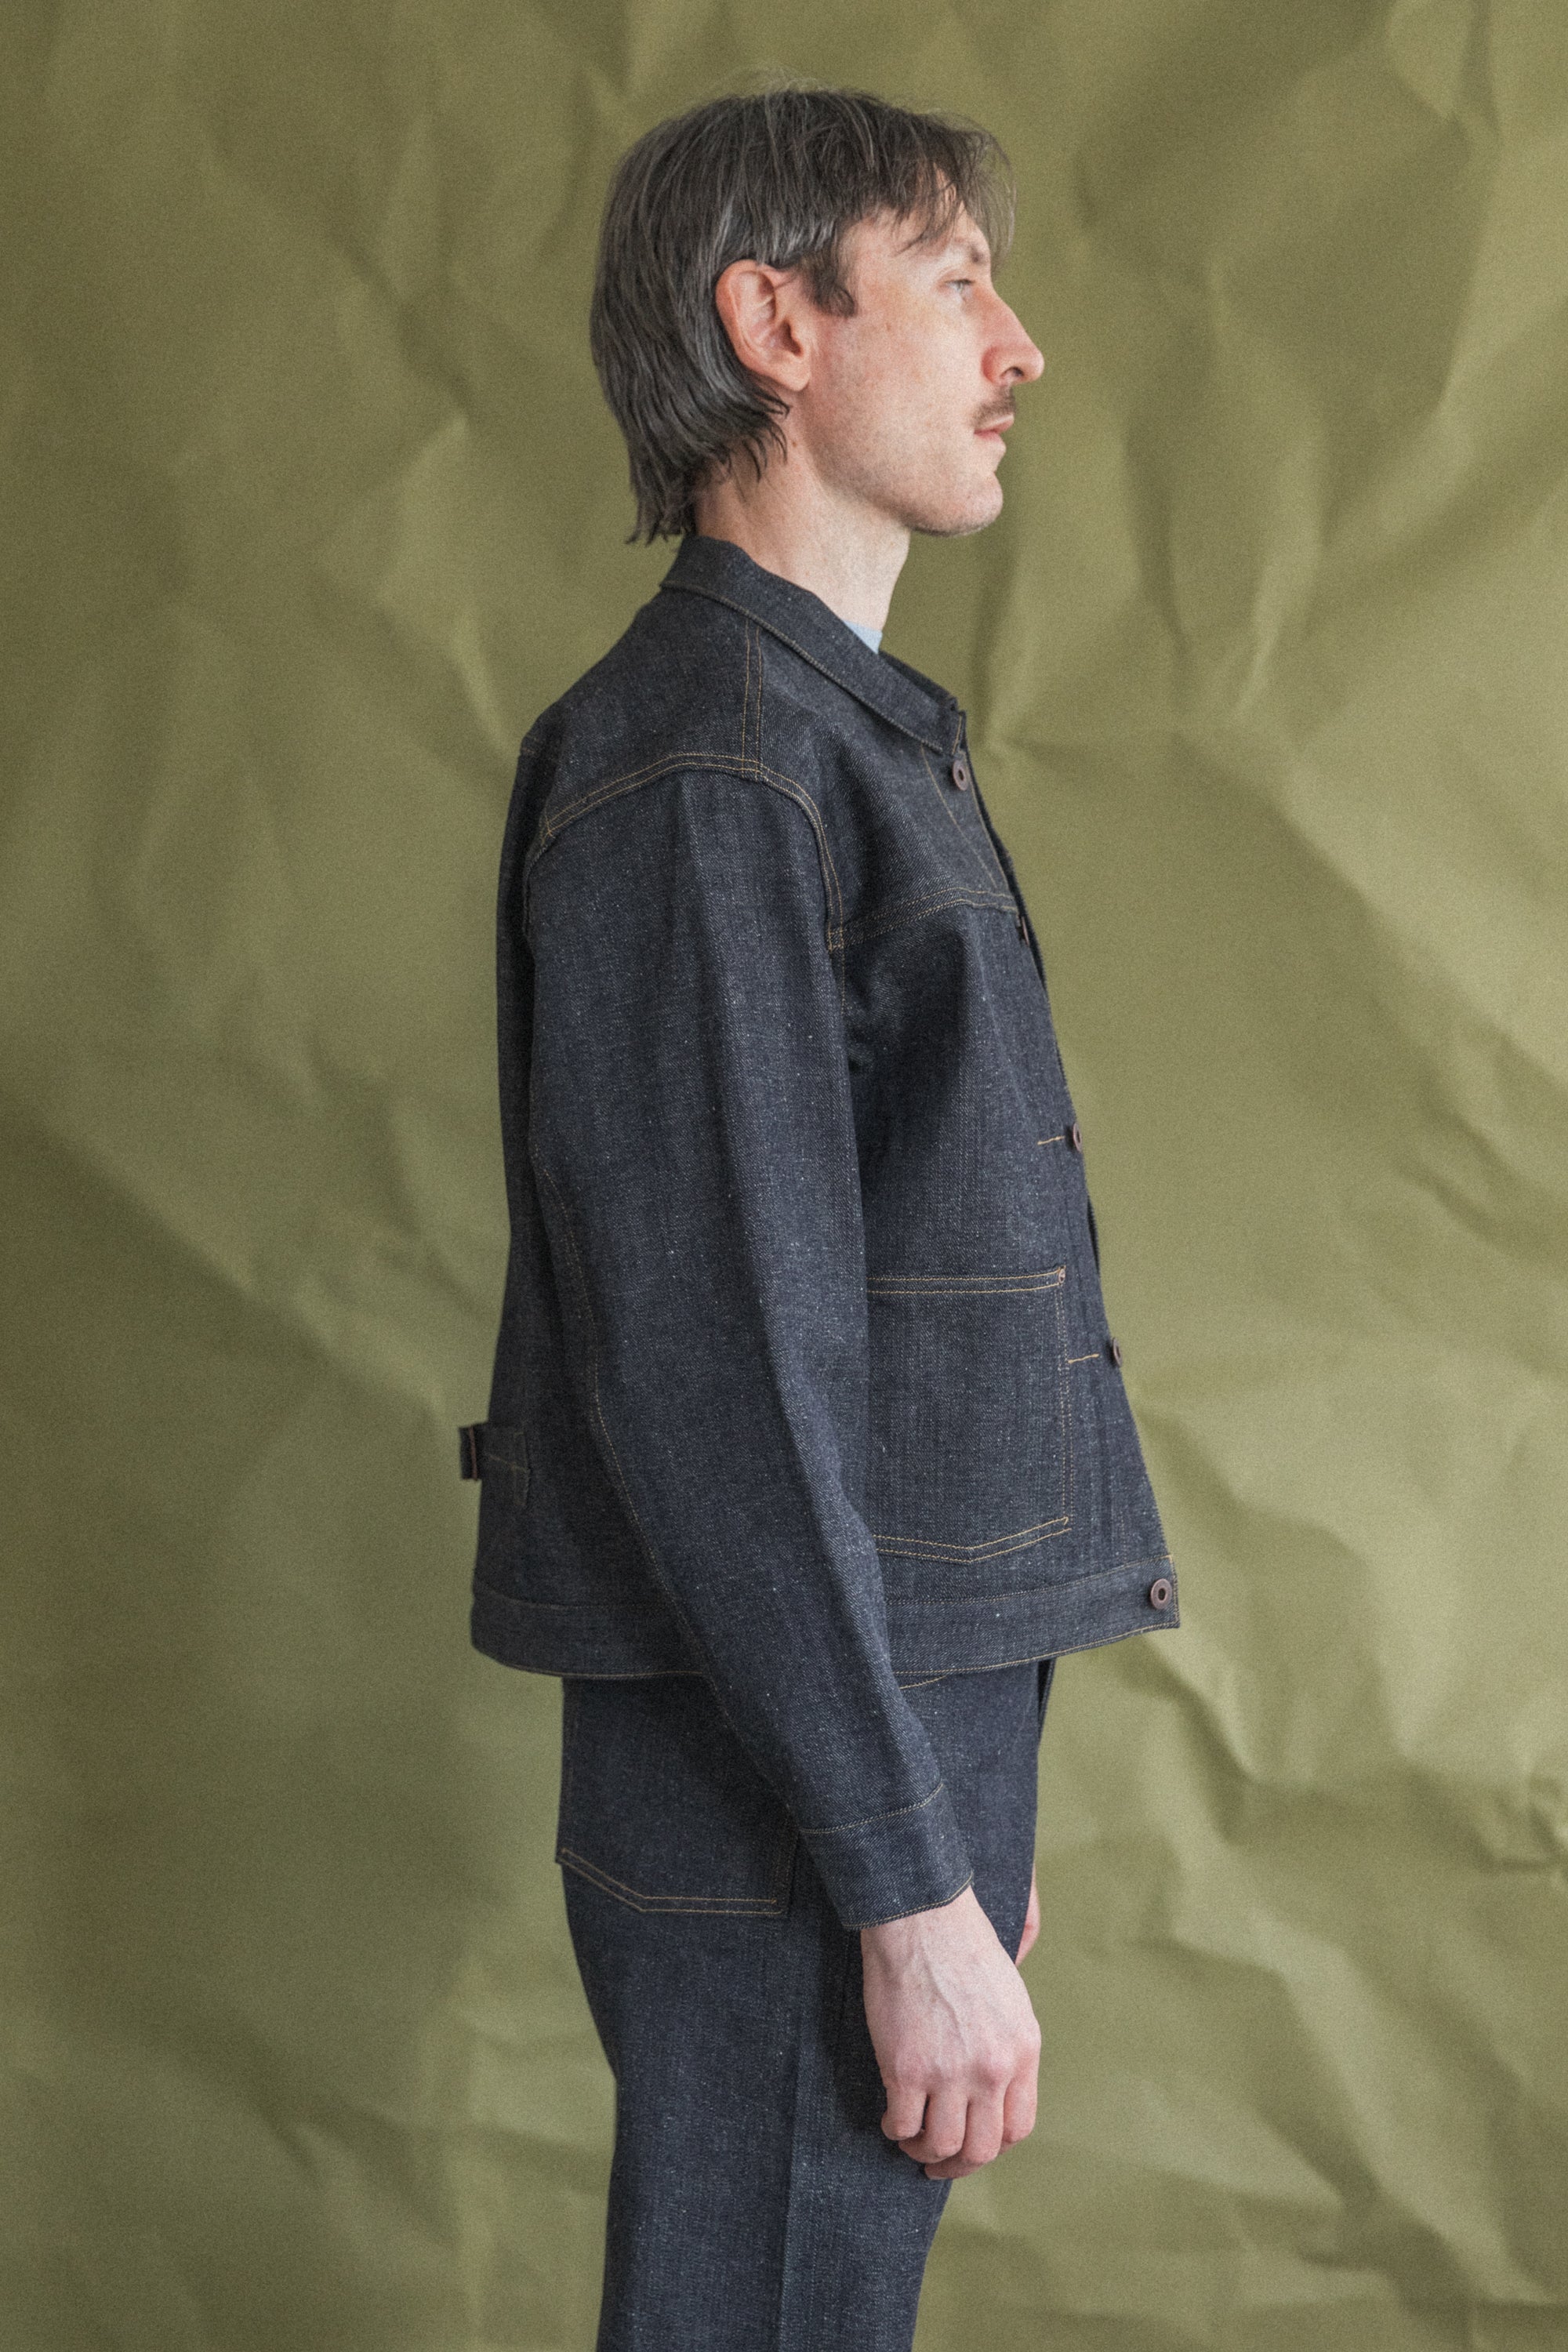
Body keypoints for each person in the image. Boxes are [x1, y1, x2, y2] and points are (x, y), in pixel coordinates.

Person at [460, 85, 1177, 2352]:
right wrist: (901, 1881)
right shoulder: (711, 768)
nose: (1018, 344)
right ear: (776, 325)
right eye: (957, 281)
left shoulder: (820, 737)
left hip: (861, 1739)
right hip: (789, 1779)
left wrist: (943, 1829)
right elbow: (721, 1378)